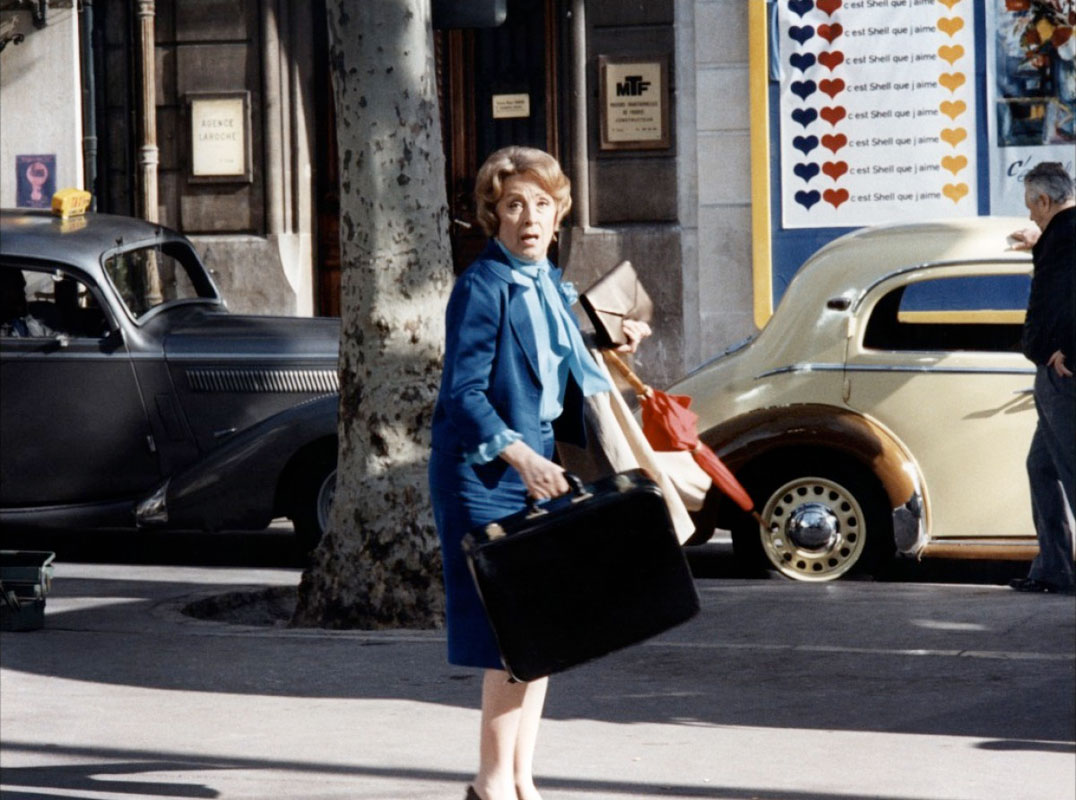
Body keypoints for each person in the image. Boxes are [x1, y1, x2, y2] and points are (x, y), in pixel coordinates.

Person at [428, 146, 647, 800]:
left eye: (542, 204)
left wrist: (614, 338)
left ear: (559, 214)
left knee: (544, 629)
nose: (528, 217)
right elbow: (462, 395)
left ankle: (522, 778)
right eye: (514, 204)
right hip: (487, 472)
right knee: (514, 633)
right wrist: (519, 456)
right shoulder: (483, 286)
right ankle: (491, 783)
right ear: (492, 213)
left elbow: (563, 348)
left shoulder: (548, 280)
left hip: (539, 466)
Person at [1008, 162, 1076, 594]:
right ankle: (1054, 567)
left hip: (1063, 378)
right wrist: (1038, 242)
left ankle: (1056, 568)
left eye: (1033, 208)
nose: (1030, 216)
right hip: (1056, 373)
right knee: (1041, 465)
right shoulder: (1060, 235)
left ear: (1045, 201)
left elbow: (1063, 297)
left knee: (1071, 470)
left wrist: (1068, 348)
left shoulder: (1065, 236)